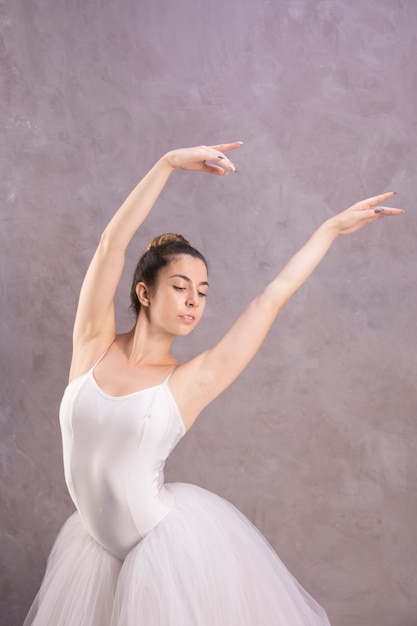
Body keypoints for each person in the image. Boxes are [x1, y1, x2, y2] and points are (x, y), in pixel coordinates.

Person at [24, 142, 403, 626]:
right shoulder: (92, 344)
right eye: (180, 287)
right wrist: (166, 164)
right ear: (144, 292)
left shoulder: (189, 382)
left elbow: (271, 299)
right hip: (94, 549)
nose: (193, 303)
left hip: (161, 554)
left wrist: (329, 230)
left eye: (202, 293)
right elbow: (110, 245)